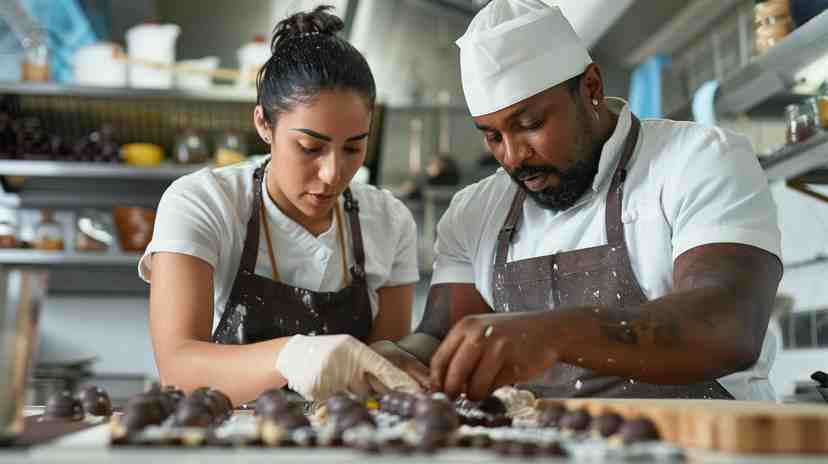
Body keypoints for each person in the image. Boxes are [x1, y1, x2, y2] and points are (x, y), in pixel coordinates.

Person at [374, 0, 783, 402]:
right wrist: (394, 357)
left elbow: (729, 325)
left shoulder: (697, 160)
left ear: (591, 87)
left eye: (530, 124)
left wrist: (552, 333)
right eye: (493, 136)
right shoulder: (474, 212)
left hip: (706, 444)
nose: (513, 156)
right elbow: (439, 336)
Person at [141, 6, 422, 405]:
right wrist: (293, 357)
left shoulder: (390, 222)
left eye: (354, 148)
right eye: (310, 147)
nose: (332, 173)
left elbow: (383, 380)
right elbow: (178, 369)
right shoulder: (203, 203)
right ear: (263, 124)